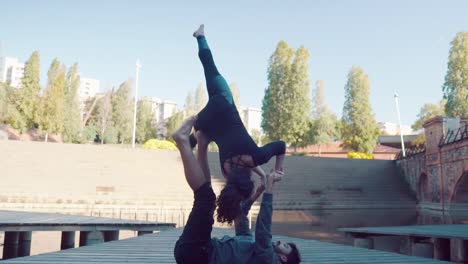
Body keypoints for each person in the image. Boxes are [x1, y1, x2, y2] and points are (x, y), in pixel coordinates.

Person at [190, 24, 286, 223]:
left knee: (210, 67)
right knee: (191, 140)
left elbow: (281, 146)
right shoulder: (227, 170)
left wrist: (278, 169)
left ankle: (201, 36)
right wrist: (259, 174)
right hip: (208, 122)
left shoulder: (257, 156)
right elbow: (242, 167)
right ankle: (186, 141)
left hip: (223, 101)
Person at [172, 117, 301, 264]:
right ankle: (202, 143)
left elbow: (263, 235)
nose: (279, 242)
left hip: (197, 256)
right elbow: (241, 214)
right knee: (208, 197)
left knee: (205, 198)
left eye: (284, 246)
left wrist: (269, 192)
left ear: (283, 258)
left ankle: (183, 142)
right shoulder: (250, 243)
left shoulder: (269, 260)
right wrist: (257, 194)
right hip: (198, 248)